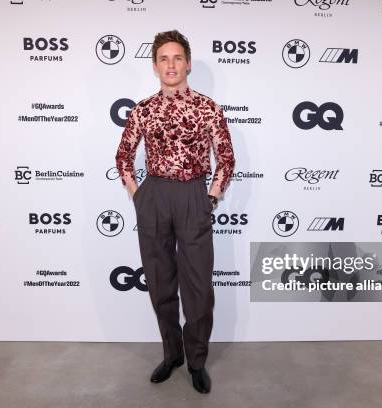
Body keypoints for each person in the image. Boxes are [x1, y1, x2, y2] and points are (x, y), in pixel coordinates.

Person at [115, 29, 235, 394]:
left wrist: (210, 198)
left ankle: (197, 360)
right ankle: (172, 354)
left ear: (187, 63)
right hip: (154, 197)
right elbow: (123, 156)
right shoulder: (143, 110)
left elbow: (226, 159)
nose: (171, 65)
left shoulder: (207, 107)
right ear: (155, 66)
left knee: (198, 288)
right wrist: (138, 196)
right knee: (160, 283)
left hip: (192, 198)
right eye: (164, 59)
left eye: (177, 58)